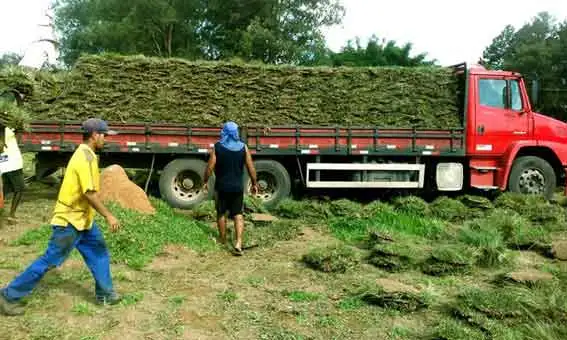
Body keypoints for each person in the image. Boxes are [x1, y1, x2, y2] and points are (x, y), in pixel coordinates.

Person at [0, 118, 122, 316]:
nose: (106, 139)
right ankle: (7, 296)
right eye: (104, 135)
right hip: (70, 222)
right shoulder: (85, 158)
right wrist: (109, 216)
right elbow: (89, 193)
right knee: (49, 261)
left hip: (83, 220)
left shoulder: (87, 154)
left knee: (99, 251)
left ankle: (106, 294)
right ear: (94, 135)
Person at [203, 121, 258, 256]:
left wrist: (205, 181)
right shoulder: (243, 147)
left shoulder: (218, 147)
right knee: (238, 214)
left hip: (221, 187)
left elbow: (210, 167)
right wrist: (254, 183)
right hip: (237, 187)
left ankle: (222, 239)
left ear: (224, 132)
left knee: (221, 213)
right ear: (236, 133)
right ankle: (238, 242)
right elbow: (251, 167)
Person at [0, 124, 25, 221]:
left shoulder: (6, 130)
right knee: (19, 188)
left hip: (4, 165)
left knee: (5, 190)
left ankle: (3, 213)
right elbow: (20, 129)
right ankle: (11, 215)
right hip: (13, 165)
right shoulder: (7, 130)